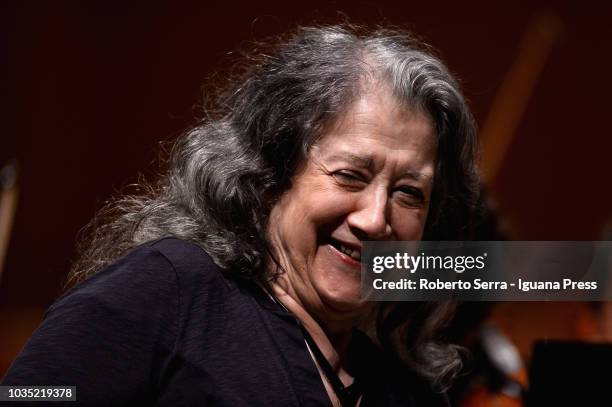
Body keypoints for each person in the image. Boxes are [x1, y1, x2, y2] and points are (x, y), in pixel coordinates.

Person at [2, 25, 479, 406]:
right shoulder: (168, 290)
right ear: (272, 173)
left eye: (409, 194)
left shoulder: (406, 388)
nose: (375, 219)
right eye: (350, 175)